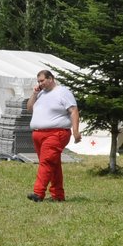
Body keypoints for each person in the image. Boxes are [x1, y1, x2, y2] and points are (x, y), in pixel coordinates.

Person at [25, 69, 79, 201]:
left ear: (51, 78)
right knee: (53, 165)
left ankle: (38, 193)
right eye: (38, 81)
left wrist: (76, 131)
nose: (40, 83)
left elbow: (73, 111)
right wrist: (34, 94)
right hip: (38, 134)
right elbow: (29, 108)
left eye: (42, 80)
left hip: (56, 133)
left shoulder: (63, 92)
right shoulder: (41, 94)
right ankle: (58, 195)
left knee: (46, 162)